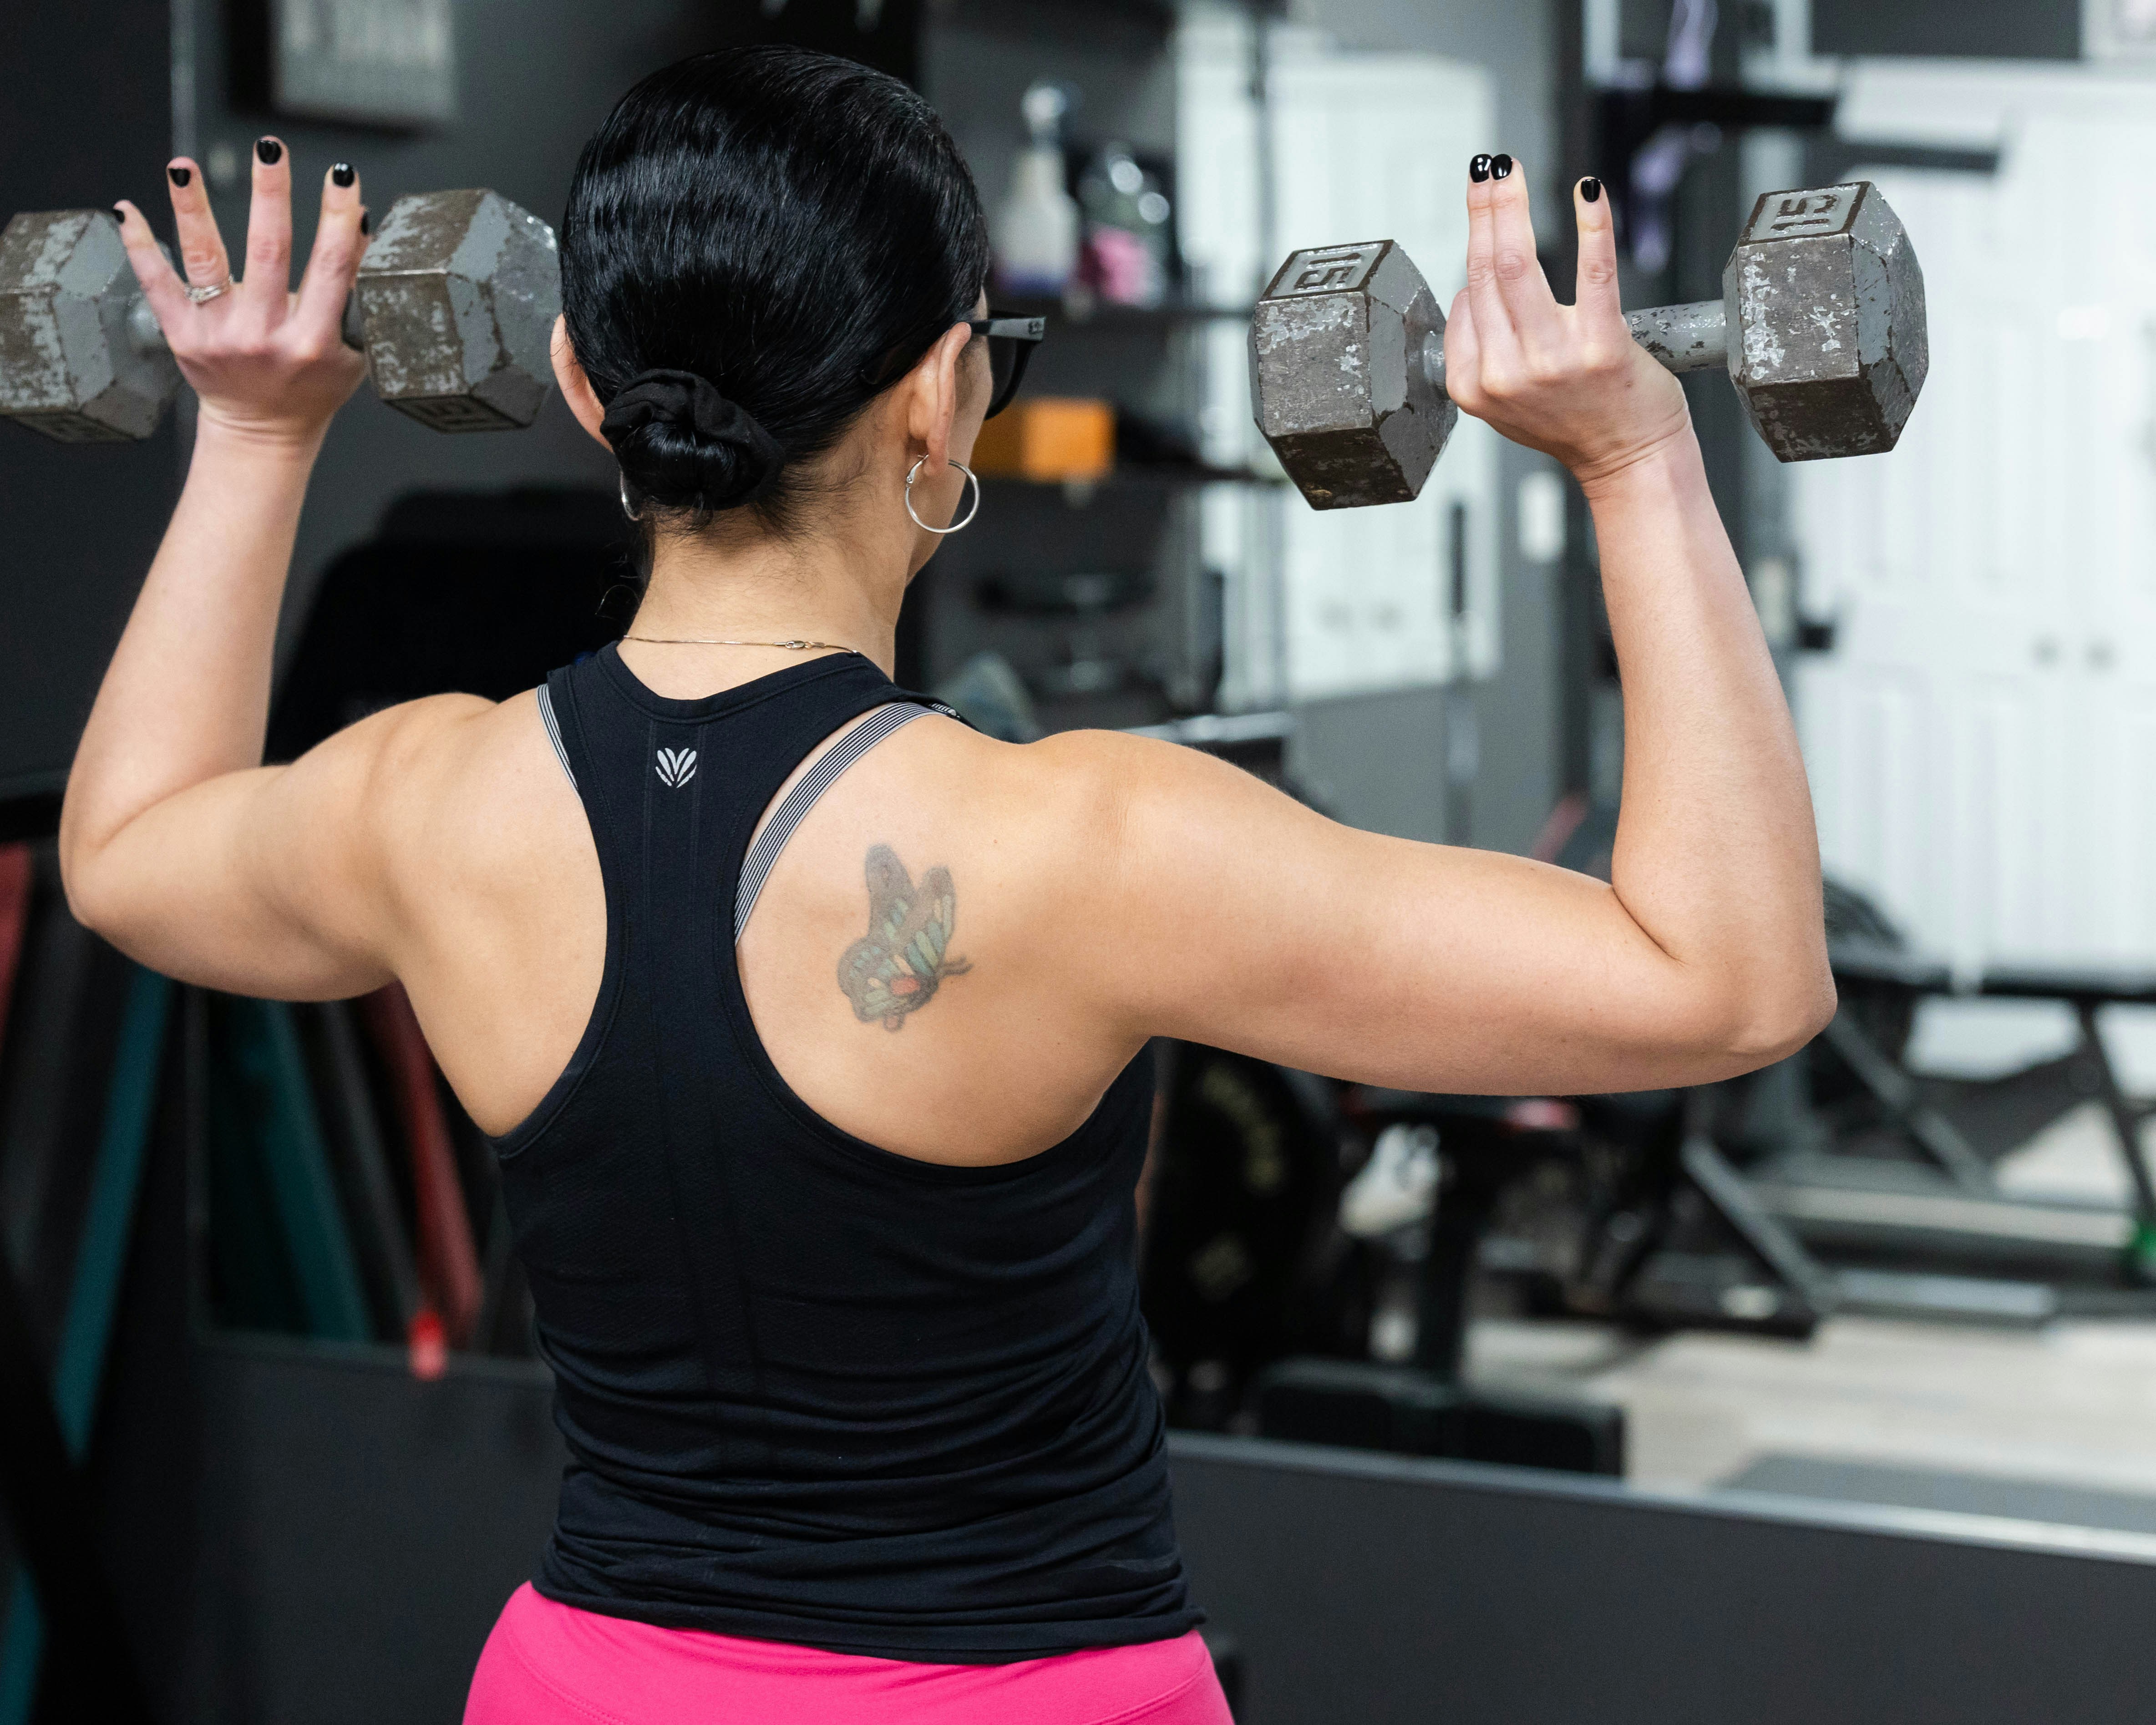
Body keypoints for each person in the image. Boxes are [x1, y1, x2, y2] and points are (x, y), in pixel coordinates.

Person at [63, 48, 1832, 1725]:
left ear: (587, 387)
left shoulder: (428, 798)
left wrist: (253, 439)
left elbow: (127, 855)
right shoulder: (1084, 847)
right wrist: (1637, 459)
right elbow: (1727, 978)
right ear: (939, 392)